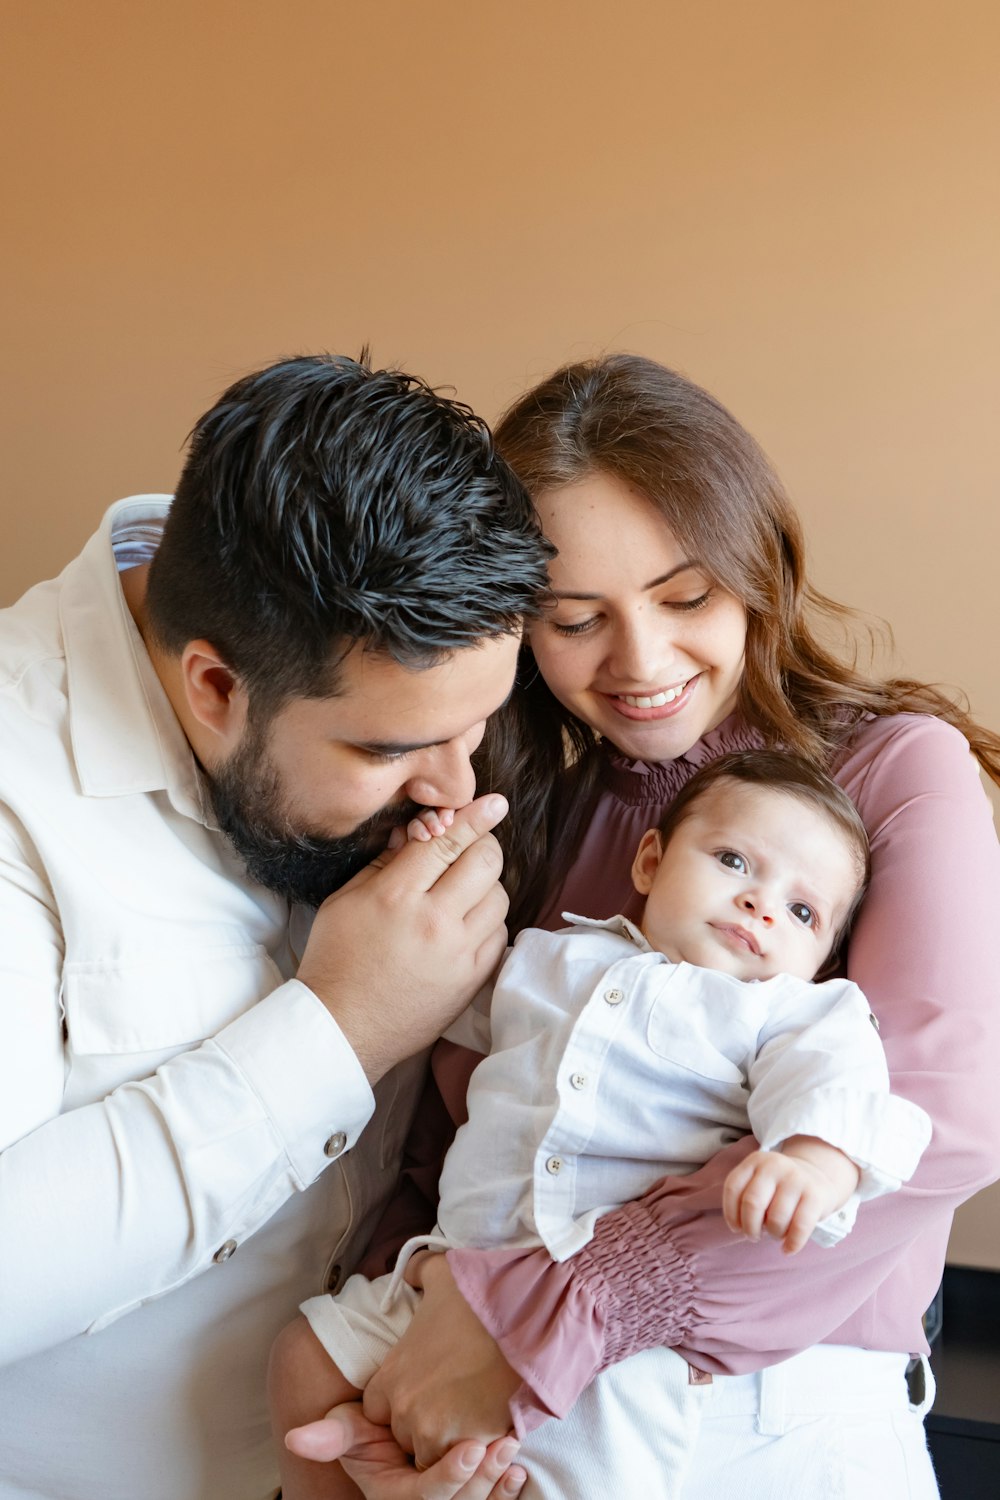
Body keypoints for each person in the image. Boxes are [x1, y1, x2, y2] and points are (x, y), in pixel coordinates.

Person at [318, 355, 1000, 1499]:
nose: (639, 664)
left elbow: (938, 1118)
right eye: (575, 619)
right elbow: (450, 1142)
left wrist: (555, 1316)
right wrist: (390, 1409)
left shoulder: (888, 772)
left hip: (772, 1424)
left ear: (755, 564)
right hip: (501, 1428)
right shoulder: (536, 817)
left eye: (684, 598)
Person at [0, 353, 555, 1500]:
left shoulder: (368, 689)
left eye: (477, 727)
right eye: (389, 750)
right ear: (213, 687)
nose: (455, 793)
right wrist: (339, 1032)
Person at [269, 750, 931, 1499]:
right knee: (304, 1361)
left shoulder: (783, 1012)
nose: (762, 904)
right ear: (651, 860)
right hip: (450, 1283)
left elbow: (840, 1082)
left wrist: (810, 1160)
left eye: (803, 911)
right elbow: (434, 987)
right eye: (733, 860)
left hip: (613, 1351)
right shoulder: (546, 958)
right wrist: (420, 875)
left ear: (821, 958)